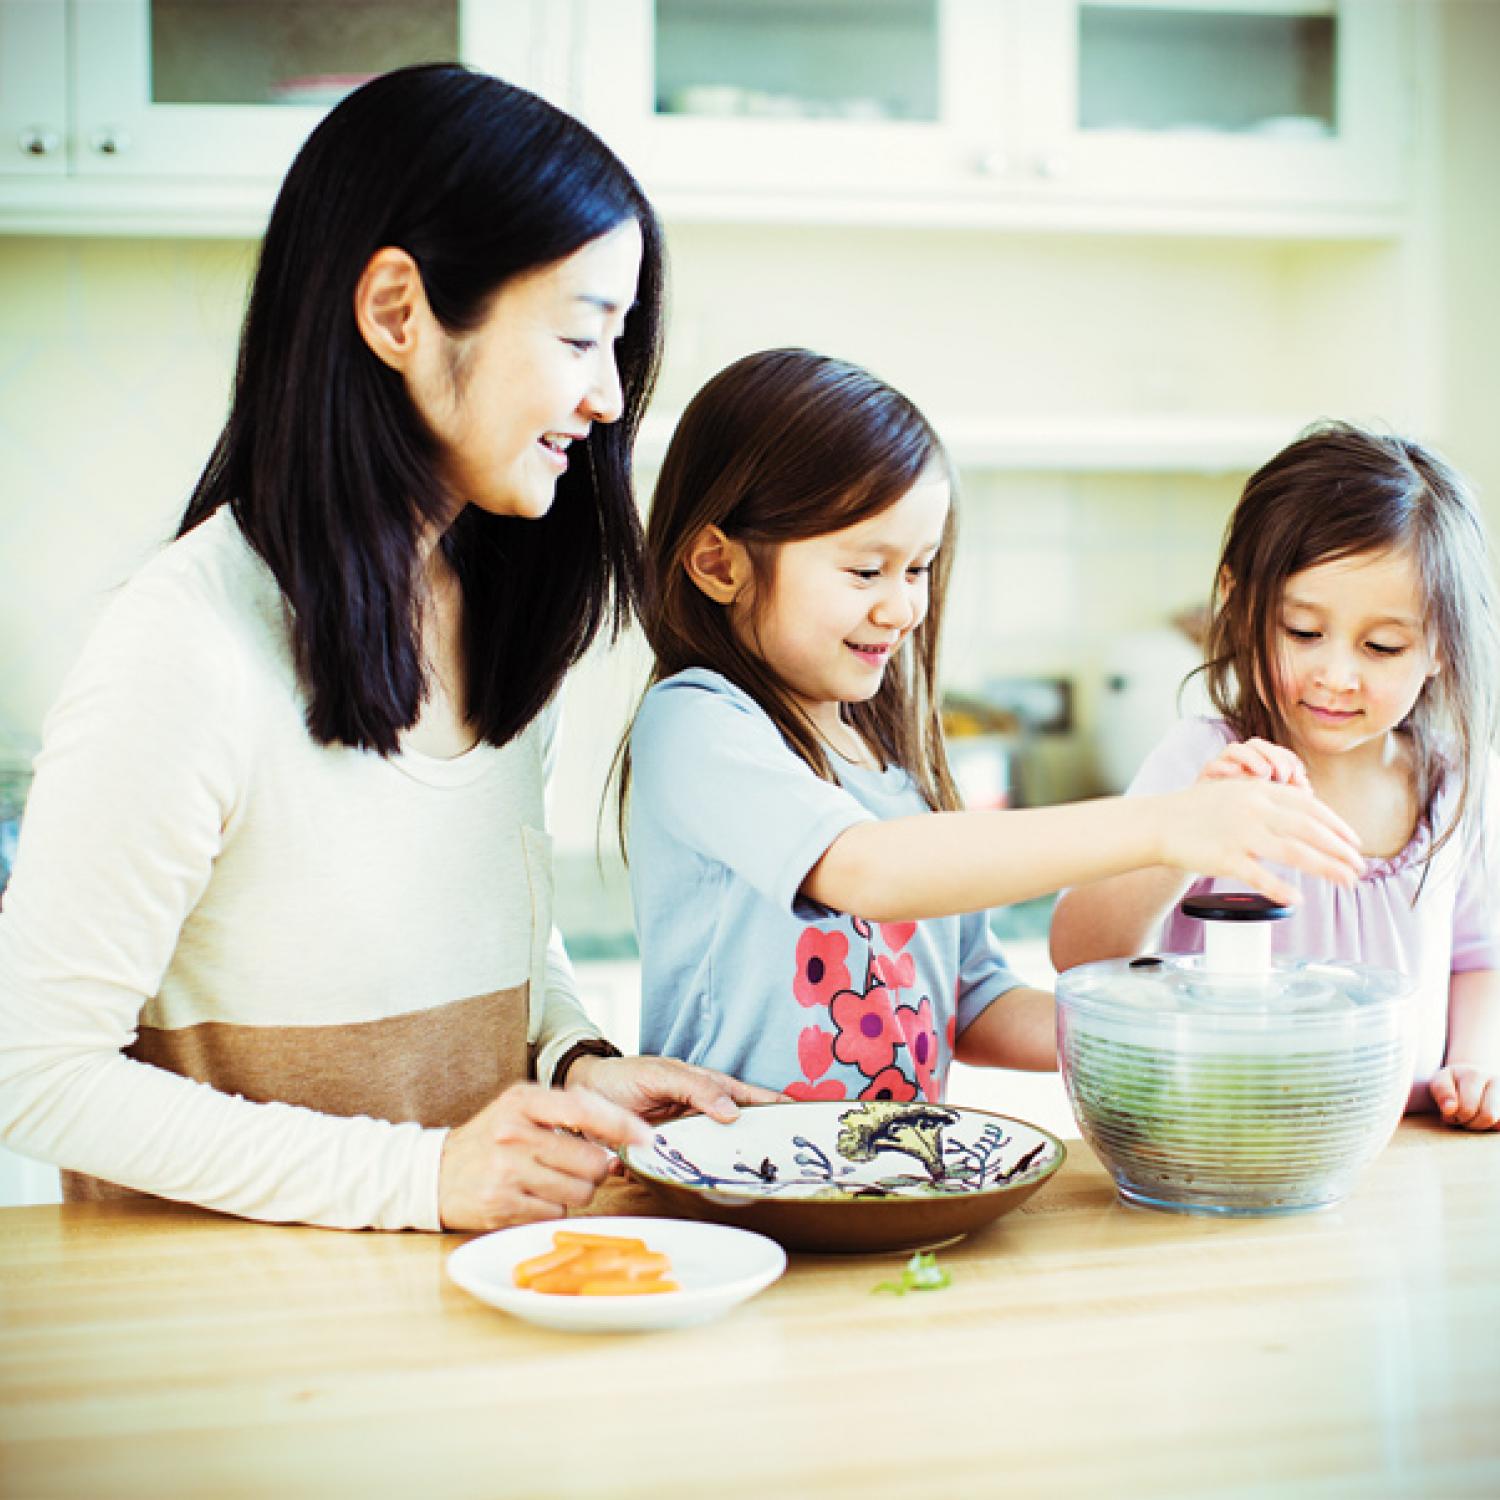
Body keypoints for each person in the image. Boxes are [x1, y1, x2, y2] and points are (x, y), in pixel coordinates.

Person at [0, 65, 775, 1234]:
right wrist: (419, 1179)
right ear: (398, 313)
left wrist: (570, 1057)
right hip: (221, 1343)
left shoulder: (502, 612)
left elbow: (490, 945)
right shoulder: (186, 650)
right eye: (579, 337)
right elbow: (34, 1074)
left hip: (458, 1302)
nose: (612, 398)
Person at [619, 349, 1365, 1104]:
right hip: (732, 1179)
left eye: (918, 569)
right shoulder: (696, 722)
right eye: (866, 570)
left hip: (880, 1188)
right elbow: (867, 872)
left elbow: (975, 1008)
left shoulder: (897, 767)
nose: (903, 607)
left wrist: (1160, 1023)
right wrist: (1166, 825)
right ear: (719, 565)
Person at [1050, 422, 1500, 1132]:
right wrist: (1183, 833)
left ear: (1442, 645)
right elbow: (1081, 954)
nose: (1337, 675)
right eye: (1302, 632)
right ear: (1238, 602)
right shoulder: (1200, 765)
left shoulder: (1454, 783)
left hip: (1402, 1146)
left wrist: (1474, 1065)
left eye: (1383, 646)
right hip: (1223, 1136)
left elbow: (1480, 957)